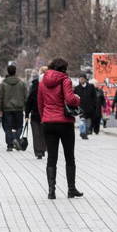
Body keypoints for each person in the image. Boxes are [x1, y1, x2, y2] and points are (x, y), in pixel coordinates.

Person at [37, 58, 84, 200]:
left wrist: (44, 117)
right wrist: (77, 98)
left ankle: (51, 191)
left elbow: (40, 103)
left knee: (51, 158)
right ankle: (71, 189)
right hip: (64, 122)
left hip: (48, 122)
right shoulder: (65, 80)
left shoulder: (42, 82)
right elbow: (70, 100)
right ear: (64, 68)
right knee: (69, 157)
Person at [0, 64, 27, 152]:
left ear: (8, 72)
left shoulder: (3, 83)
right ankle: (16, 138)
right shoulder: (21, 83)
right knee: (19, 126)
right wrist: (26, 108)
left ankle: (10, 145)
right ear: (15, 71)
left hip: (7, 108)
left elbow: (0, 97)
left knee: (7, 127)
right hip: (19, 108)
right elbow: (25, 96)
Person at [25, 67, 47, 159]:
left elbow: (29, 100)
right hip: (46, 114)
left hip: (36, 113)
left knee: (36, 133)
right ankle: (42, 149)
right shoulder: (51, 85)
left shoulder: (35, 85)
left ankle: (39, 151)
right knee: (43, 133)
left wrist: (27, 113)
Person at [74, 74, 97, 140]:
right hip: (81, 108)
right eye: (80, 79)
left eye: (82, 79)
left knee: (88, 123)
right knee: (82, 121)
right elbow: (75, 97)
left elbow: (94, 97)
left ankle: (86, 132)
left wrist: (94, 106)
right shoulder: (77, 88)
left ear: (85, 79)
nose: (81, 80)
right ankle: (83, 133)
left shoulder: (91, 86)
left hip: (90, 108)